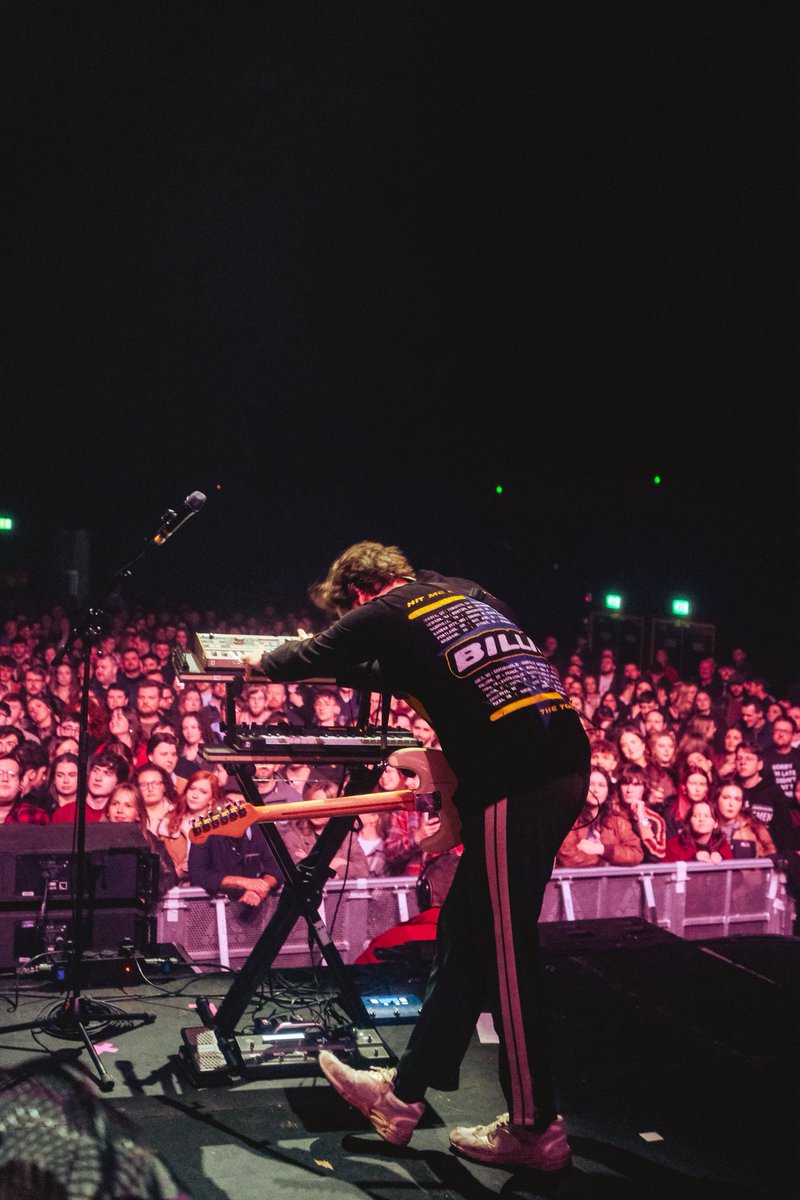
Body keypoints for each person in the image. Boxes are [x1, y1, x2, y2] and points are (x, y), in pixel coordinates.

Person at [246, 540, 589, 1170]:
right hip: (558, 761)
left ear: (357, 595)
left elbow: (309, 656)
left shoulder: (386, 609)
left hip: (518, 777)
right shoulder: (467, 592)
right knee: (465, 934)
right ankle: (401, 1099)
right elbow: (406, 671)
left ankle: (536, 1128)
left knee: (505, 952)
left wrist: (260, 662)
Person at [556, 766, 644, 868]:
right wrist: (602, 862)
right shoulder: (568, 818)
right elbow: (566, 856)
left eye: (601, 785)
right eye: (591, 784)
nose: (596, 790)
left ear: (608, 790)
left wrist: (602, 850)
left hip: (609, 878)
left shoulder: (617, 820)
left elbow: (636, 854)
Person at [663, 799, 733, 863]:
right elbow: (666, 870)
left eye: (707, 816)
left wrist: (722, 861)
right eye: (696, 816)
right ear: (689, 821)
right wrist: (693, 860)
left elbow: (733, 870)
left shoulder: (722, 845)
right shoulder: (674, 845)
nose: (701, 819)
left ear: (715, 823)